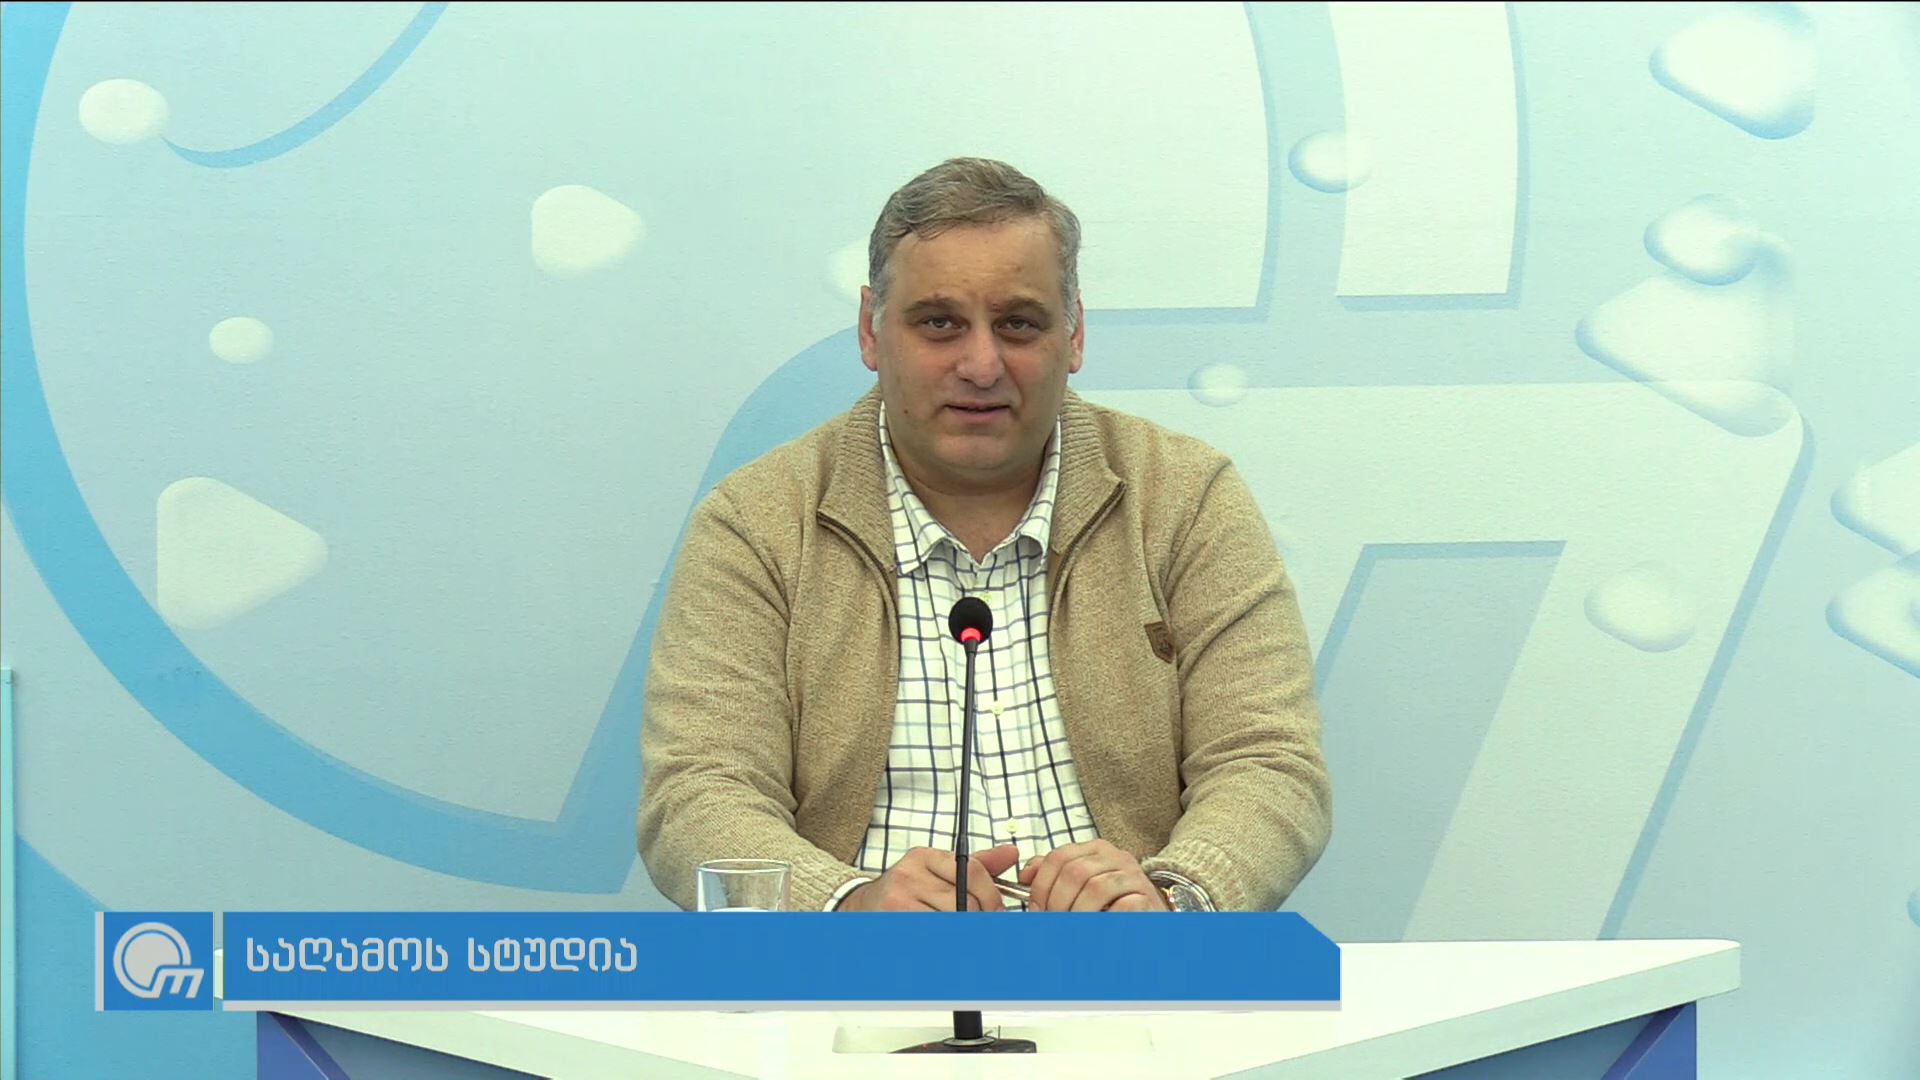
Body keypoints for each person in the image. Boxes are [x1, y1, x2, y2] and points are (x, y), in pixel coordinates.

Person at [637, 158, 1329, 913]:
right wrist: (845, 907)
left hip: (1124, 959)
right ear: (871, 330)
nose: (980, 364)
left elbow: (1268, 765)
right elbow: (700, 792)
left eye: (1018, 324)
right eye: (939, 323)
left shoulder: (1184, 496)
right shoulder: (757, 521)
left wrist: (1172, 901)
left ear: (1074, 335)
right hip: (861, 970)